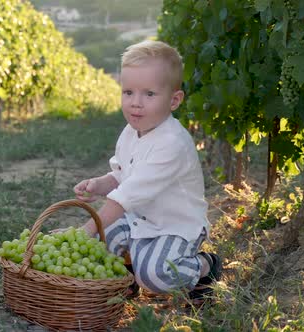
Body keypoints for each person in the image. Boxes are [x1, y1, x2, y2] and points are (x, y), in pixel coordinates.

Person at [73, 40, 221, 302]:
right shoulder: (132, 132)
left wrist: (86, 227)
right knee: (97, 243)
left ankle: (205, 266)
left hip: (173, 226)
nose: (136, 103)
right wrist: (99, 184)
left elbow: (124, 196)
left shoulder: (171, 143)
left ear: (174, 100)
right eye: (128, 92)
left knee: (156, 275)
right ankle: (127, 275)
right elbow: (123, 176)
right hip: (138, 219)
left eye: (149, 94)